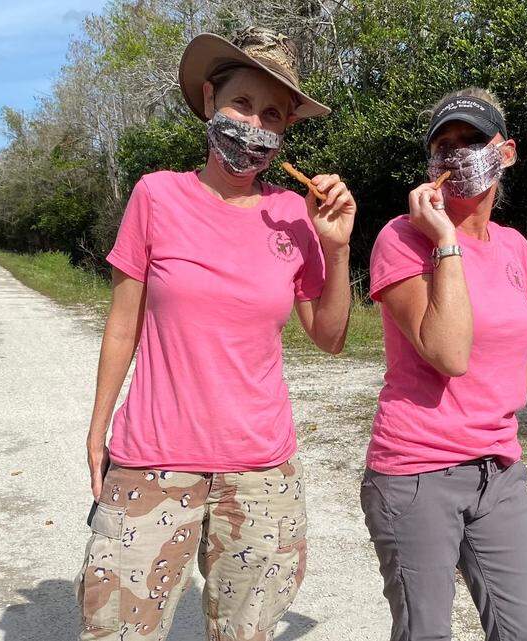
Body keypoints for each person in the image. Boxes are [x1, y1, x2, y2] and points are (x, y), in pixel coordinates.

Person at [74, 26, 357, 641]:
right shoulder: (156, 196)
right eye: (242, 104)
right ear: (209, 101)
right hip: (151, 460)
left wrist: (336, 249)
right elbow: (123, 324)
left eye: (273, 115)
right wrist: (99, 429)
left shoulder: (293, 213)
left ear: (285, 135)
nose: (254, 126)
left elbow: (331, 337)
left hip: (261, 471)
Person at [360, 87, 527, 641]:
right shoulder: (402, 240)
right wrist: (445, 242)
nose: (456, 155)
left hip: (498, 472)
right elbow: (449, 353)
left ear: (505, 153)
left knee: (526, 631)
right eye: (443, 145)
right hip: (416, 473)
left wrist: (505, 385)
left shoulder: (514, 249)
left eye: (472, 142)